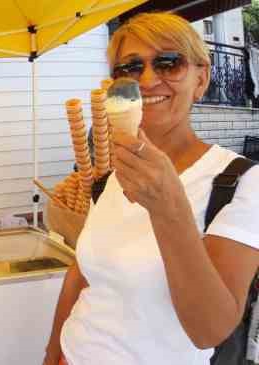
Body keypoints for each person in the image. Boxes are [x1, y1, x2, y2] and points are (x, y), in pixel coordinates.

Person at [43, 13, 259, 365]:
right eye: (129, 68)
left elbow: (210, 330)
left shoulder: (240, 182)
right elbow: (80, 275)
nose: (147, 79)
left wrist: (168, 206)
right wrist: (53, 353)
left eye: (168, 63)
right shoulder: (111, 179)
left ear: (201, 79)